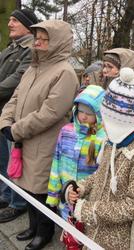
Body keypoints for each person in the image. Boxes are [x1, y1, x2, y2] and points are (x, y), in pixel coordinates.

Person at [0, 20, 79, 250]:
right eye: (37, 38)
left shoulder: (65, 73)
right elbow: (14, 98)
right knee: (26, 188)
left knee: (42, 191)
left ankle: (43, 233)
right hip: (23, 140)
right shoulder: (34, 68)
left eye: (44, 39)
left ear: (57, 42)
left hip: (45, 143)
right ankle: (33, 227)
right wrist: (5, 121)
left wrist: (15, 130)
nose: (38, 42)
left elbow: (50, 113)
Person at [66, 68, 134, 249]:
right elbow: (100, 175)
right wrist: (81, 187)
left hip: (118, 242)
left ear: (123, 122)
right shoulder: (112, 142)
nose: (102, 125)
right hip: (93, 232)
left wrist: (90, 210)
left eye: (107, 121)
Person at [0, 8, 38, 223]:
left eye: (15, 20)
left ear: (26, 25)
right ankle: (6, 196)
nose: (9, 24)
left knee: (14, 162)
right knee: (3, 160)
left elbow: (18, 79)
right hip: (3, 113)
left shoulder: (31, 48)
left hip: (15, 115)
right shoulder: (11, 48)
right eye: (10, 19)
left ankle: (18, 203)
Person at [46, 85, 106, 221]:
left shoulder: (103, 139)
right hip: (66, 200)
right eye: (81, 111)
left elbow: (102, 174)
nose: (83, 117)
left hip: (89, 204)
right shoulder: (66, 131)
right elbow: (56, 164)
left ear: (99, 113)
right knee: (68, 234)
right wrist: (53, 194)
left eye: (89, 113)